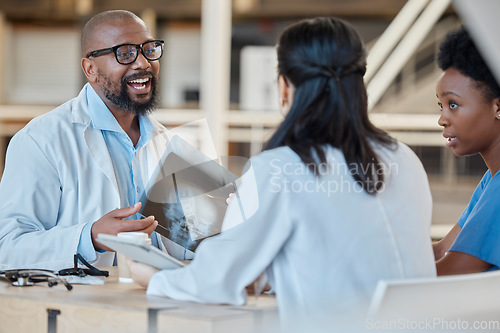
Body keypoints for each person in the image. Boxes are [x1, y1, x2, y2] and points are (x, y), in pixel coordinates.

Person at [128, 17, 436, 332]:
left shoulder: (282, 168)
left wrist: (153, 277)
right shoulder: (405, 159)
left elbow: (213, 283)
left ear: (285, 86)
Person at [0, 10, 189, 271]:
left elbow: (188, 244)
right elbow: (7, 248)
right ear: (90, 69)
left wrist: (224, 216)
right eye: (125, 53)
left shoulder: (169, 143)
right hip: (81, 305)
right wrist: (91, 237)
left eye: (148, 49)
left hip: (157, 299)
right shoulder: (41, 141)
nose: (143, 63)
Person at [433, 26, 500, 275]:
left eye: (453, 104)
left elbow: (448, 272)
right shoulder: (491, 180)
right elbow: (442, 250)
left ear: (498, 107)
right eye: (440, 105)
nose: (442, 119)